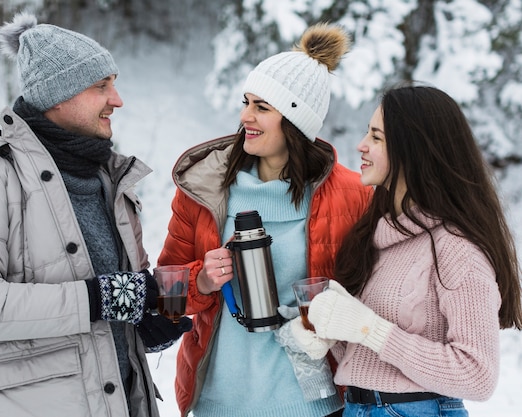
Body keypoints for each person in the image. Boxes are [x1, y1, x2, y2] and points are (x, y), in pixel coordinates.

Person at [0, 12, 190, 417]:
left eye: (114, 86)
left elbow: (108, 309)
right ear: (57, 96)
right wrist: (102, 299)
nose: (116, 100)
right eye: (101, 86)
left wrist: (140, 329)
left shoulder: (110, 181)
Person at [157, 23, 372, 417]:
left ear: (295, 122)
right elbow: (166, 295)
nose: (244, 117)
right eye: (246, 102)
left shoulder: (353, 195)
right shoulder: (203, 189)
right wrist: (201, 280)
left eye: (261, 107)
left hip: (311, 404)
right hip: (219, 402)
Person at [290, 84, 522, 417]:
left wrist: (369, 328)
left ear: (413, 150)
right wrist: (334, 334)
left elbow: (477, 375)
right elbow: (379, 361)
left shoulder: (456, 248)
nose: (361, 146)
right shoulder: (381, 235)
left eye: (377, 137)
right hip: (361, 408)